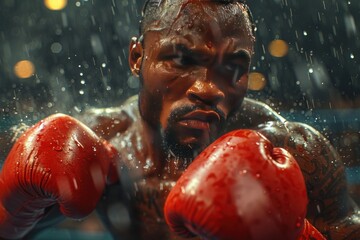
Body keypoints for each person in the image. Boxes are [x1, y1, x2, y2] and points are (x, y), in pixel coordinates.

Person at [0, 0, 359, 239]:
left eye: (234, 68)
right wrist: (19, 209)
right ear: (138, 57)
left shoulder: (293, 151)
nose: (209, 88)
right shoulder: (100, 142)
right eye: (182, 60)